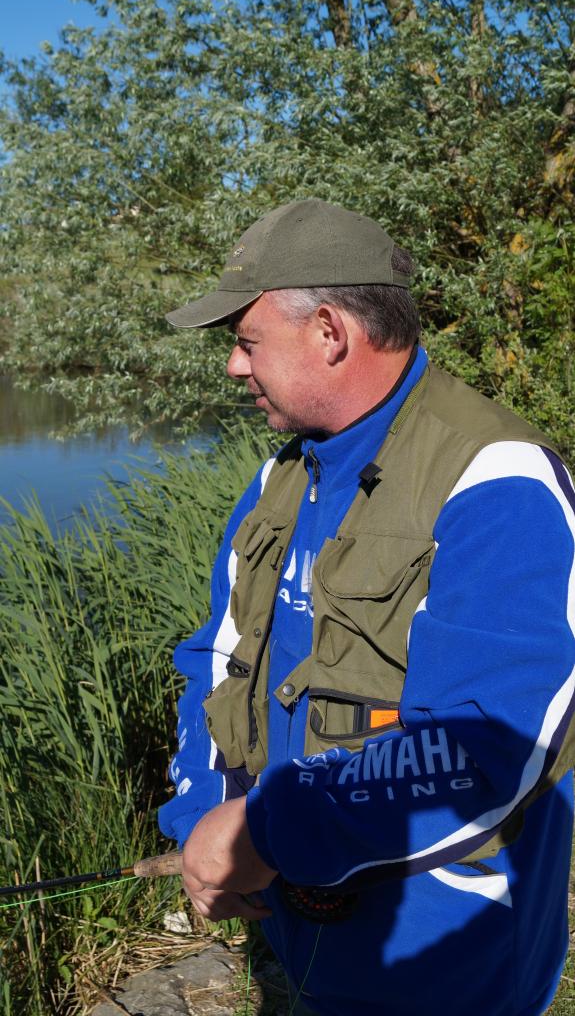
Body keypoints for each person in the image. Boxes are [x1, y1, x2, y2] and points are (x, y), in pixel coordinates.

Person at [159, 199, 575, 1016]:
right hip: (289, 931)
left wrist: (266, 832)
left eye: (246, 343)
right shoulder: (283, 474)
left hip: (438, 966)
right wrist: (207, 815)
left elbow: (486, 748)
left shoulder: (498, 480)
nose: (234, 369)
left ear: (327, 332)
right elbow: (216, 654)